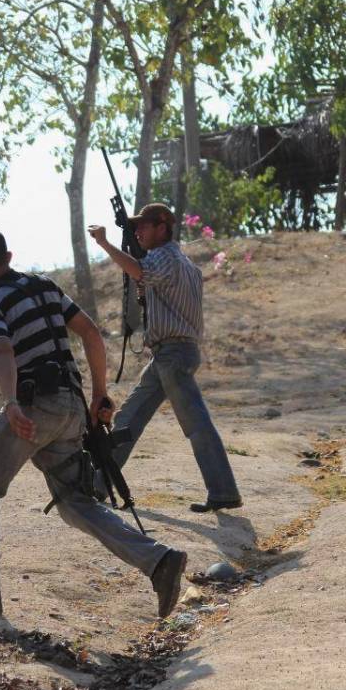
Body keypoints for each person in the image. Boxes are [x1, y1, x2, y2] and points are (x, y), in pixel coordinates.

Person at [0, 228, 187, 618]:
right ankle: (159, 561)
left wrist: (11, 402)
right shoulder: (44, 286)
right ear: (9, 256)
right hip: (72, 408)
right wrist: (99, 394)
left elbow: (2, 350)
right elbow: (90, 332)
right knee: (74, 502)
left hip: (34, 406)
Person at [88, 203, 242, 514]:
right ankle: (97, 486)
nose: (138, 232)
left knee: (196, 424)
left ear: (162, 227)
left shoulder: (163, 257)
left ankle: (224, 491)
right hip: (171, 354)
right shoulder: (186, 265)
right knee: (128, 419)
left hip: (172, 354)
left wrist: (104, 243)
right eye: (136, 228)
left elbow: (139, 271)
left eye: (143, 226)